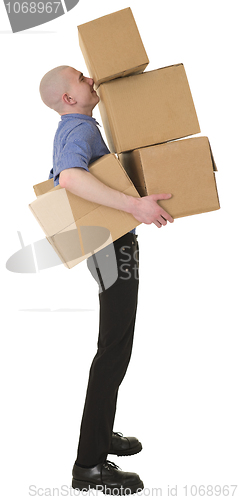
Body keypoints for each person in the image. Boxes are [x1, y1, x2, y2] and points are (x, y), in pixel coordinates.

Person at [39, 65, 174, 495]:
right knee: (113, 350)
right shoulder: (77, 131)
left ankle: (101, 432)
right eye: (81, 78)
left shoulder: (78, 125)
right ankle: (90, 465)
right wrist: (134, 207)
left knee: (117, 345)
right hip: (111, 249)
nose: (91, 79)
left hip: (110, 246)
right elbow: (70, 178)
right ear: (68, 99)